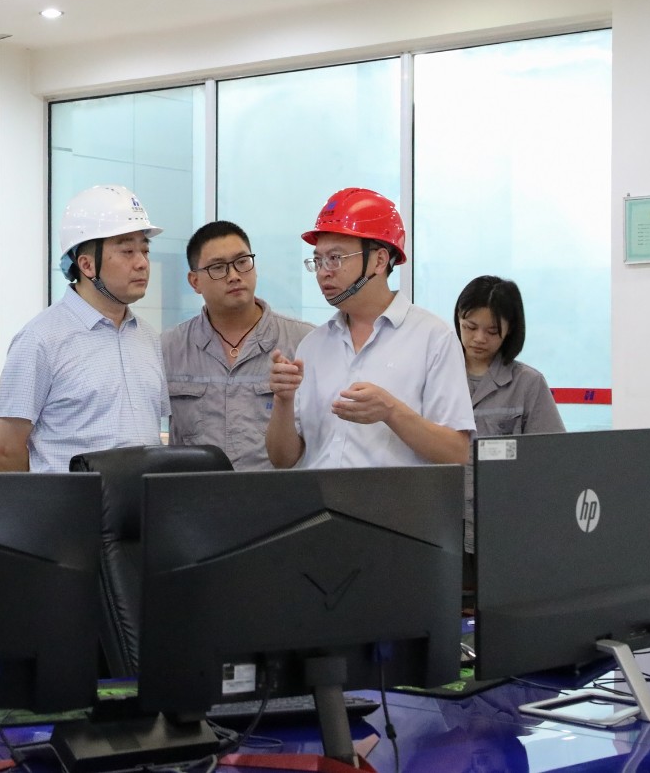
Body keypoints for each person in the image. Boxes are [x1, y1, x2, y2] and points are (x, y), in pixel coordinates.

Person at [266, 187, 474, 470]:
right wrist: (283, 399)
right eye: (318, 260)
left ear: (379, 260)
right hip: (318, 498)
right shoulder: (312, 345)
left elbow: (457, 452)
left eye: (335, 258)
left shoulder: (433, 338)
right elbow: (283, 460)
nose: (324, 271)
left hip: (393, 500)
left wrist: (390, 411)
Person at [0, 184, 168, 472]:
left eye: (145, 250)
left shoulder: (147, 337)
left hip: (145, 500)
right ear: (87, 265)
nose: (142, 263)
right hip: (71, 502)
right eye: (127, 251)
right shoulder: (40, 340)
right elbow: (5, 448)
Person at [163, 220, 313, 469]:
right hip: (195, 491)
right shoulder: (169, 348)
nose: (233, 276)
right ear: (194, 281)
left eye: (242, 262)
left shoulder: (303, 341)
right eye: (218, 268)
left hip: (279, 492)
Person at [455, 274, 563, 555]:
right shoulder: (436, 375)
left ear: (509, 330)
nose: (479, 338)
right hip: (445, 525)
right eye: (470, 326)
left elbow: (553, 460)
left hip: (504, 528)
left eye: (492, 331)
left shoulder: (528, 384)